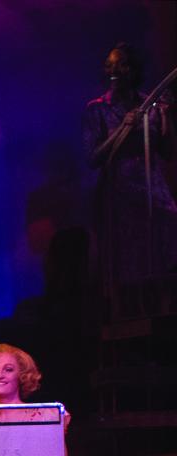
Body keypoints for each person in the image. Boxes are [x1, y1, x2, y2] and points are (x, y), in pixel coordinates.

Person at [84, 42, 176, 292]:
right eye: (110, 65)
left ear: (133, 69)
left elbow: (167, 152)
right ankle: (125, 310)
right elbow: (93, 158)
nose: (114, 70)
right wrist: (122, 129)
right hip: (119, 190)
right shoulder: (98, 109)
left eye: (121, 64)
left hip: (150, 185)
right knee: (126, 255)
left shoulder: (150, 105)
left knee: (166, 228)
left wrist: (165, 116)